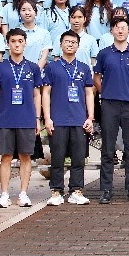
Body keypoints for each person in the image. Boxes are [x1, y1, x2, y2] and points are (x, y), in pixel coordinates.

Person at [93, 17, 129, 204]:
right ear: (112, 31)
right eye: (117, 28)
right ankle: (106, 189)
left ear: (128, 31)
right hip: (109, 104)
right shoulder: (104, 54)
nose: (120, 31)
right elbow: (97, 78)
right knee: (108, 149)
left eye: (123, 27)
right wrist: (106, 92)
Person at [0, 28, 45, 208]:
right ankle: (4, 194)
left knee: (25, 156)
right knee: (6, 157)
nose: (17, 44)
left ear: (25, 43)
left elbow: (37, 94)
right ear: (8, 44)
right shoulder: (0, 67)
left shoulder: (33, 67)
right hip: (5, 119)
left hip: (26, 119)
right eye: (13, 41)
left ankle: (23, 193)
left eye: (20, 41)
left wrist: (37, 119)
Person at [42, 31, 96, 206]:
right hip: (58, 120)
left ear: (78, 46)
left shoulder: (84, 68)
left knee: (78, 158)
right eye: (67, 41)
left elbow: (89, 93)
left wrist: (90, 117)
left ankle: (76, 191)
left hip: (79, 120)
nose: (70, 44)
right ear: (61, 44)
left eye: (74, 42)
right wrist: (47, 118)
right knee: (57, 158)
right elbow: (46, 93)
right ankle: (56, 191)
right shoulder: (52, 67)